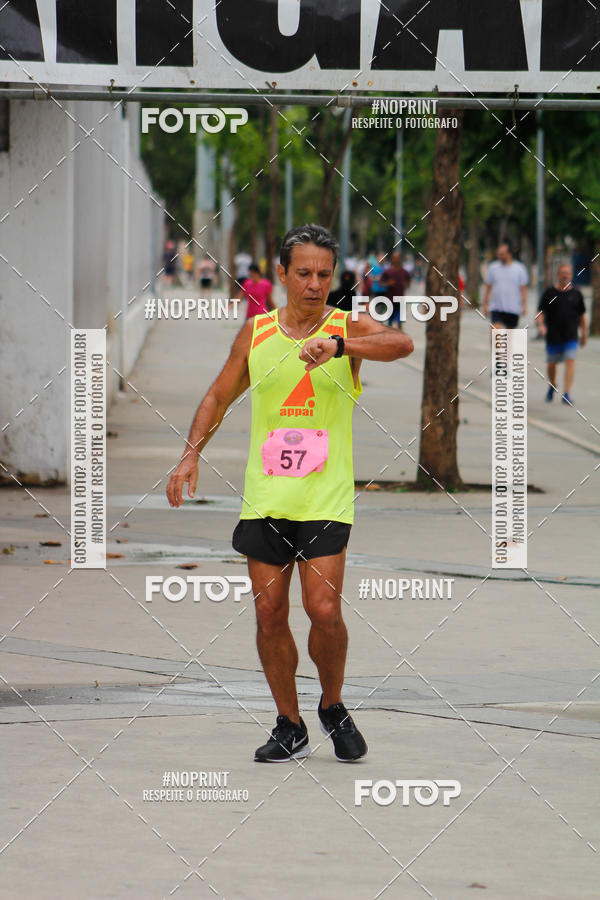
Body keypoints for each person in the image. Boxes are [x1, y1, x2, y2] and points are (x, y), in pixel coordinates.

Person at [166, 223, 413, 763]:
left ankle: (332, 704)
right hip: (266, 500)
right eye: (303, 273)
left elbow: (402, 342)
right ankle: (289, 722)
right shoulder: (255, 335)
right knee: (270, 613)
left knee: (322, 610)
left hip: (325, 500)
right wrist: (191, 454)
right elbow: (216, 396)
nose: (314, 284)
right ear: (281, 274)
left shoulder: (346, 326)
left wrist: (341, 345)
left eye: (324, 274)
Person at [537, 263, 587, 405]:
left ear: (571, 276)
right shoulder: (550, 293)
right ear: (558, 275)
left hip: (571, 335)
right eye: (563, 273)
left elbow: (582, 316)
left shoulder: (577, 294)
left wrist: (584, 334)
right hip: (553, 336)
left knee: (570, 362)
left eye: (568, 273)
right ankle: (552, 385)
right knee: (552, 364)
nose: (565, 276)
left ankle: (566, 393)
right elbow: (540, 312)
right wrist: (541, 325)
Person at [482, 243, 528, 328]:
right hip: (496, 308)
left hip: (513, 308)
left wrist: (524, 306)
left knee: (509, 337)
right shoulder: (493, 268)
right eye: (498, 254)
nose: (499, 256)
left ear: (509, 254)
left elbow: (523, 289)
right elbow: (488, 287)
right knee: (496, 336)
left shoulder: (519, 268)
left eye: (502, 254)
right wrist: (485, 304)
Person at [380, 250, 411, 329]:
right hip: (390, 300)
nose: (396, 259)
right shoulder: (388, 272)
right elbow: (380, 283)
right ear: (392, 259)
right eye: (394, 258)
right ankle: (389, 339)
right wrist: (388, 283)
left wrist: (406, 284)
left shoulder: (405, 272)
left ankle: (400, 339)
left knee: (399, 323)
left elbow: (408, 283)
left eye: (398, 258)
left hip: (400, 300)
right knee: (389, 323)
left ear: (400, 259)